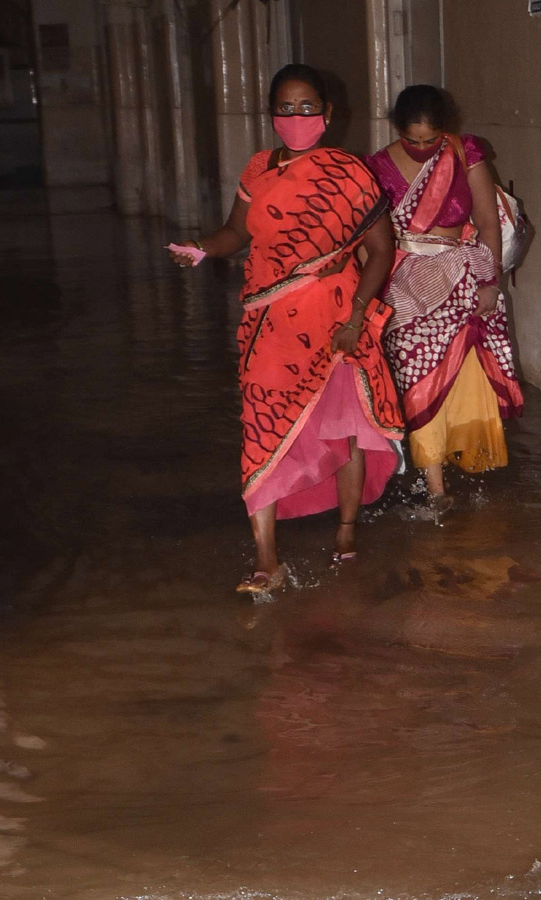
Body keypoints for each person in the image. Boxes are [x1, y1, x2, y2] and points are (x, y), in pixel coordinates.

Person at [170, 64, 403, 594]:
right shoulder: (258, 169)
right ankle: (266, 559)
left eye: (306, 107)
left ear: (327, 112)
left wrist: (357, 317)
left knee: (342, 429)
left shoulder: (350, 173)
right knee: (262, 425)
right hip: (269, 321)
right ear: (270, 113)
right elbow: (235, 234)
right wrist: (201, 248)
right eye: (285, 108)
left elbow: (382, 251)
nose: (296, 117)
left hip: (336, 317)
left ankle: (346, 532)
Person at [363, 85, 523, 512]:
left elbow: (488, 223)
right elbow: (369, 237)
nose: (420, 148)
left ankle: (466, 460)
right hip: (405, 285)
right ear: (396, 129)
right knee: (417, 379)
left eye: (429, 140)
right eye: (411, 140)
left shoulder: (465, 152)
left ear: (445, 131)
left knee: (464, 374)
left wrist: (489, 282)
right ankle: (434, 483)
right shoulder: (375, 166)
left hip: (461, 276)